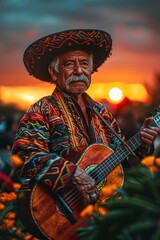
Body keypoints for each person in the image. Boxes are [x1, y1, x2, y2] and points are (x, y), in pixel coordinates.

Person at [12, 29, 160, 238]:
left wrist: (143, 143)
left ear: (91, 70)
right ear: (54, 73)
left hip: (103, 219)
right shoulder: (42, 110)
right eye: (69, 64)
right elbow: (25, 154)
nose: (78, 71)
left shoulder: (102, 114)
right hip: (57, 216)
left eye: (84, 63)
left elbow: (122, 166)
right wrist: (73, 175)